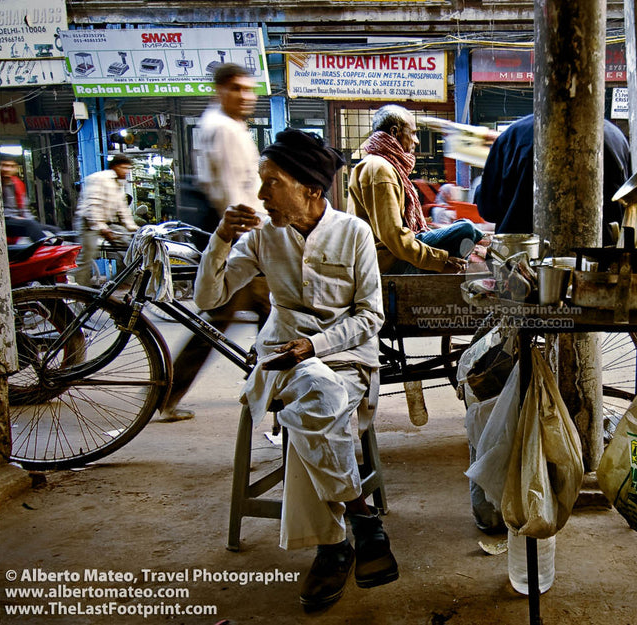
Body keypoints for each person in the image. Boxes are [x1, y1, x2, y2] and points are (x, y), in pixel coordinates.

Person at [194, 129, 397, 612]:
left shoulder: (353, 233)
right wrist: (221, 238)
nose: (261, 196)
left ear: (311, 189)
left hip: (346, 359)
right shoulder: (263, 236)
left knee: (315, 402)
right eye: (260, 183)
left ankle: (338, 543)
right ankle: (359, 518)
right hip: (283, 359)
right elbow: (208, 298)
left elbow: (371, 316)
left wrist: (317, 344)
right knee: (315, 395)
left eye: (272, 183)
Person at [160, 63, 271, 422]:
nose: (246, 97)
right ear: (221, 90)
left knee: (255, 317)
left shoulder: (223, 125)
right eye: (238, 89)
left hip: (243, 241)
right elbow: (232, 195)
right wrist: (255, 241)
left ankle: (265, 385)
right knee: (226, 321)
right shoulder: (223, 129)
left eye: (250, 90)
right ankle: (269, 390)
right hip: (243, 242)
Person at [348, 104, 483, 274]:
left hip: (389, 255)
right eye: (412, 133)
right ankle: (445, 272)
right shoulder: (379, 169)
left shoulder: (381, 165)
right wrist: (440, 260)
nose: (417, 140)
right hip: (387, 261)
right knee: (466, 230)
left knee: (464, 227)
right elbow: (393, 236)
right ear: (394, 132)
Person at [473, 114, 632, 244]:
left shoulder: (512, 136)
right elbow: (627, 205)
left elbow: (489, 209)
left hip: (522, 262)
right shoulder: (615, 137)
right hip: (599, 262)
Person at [73, 155, 137, 287]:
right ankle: (80, 289)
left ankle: (117, 284)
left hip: (108, 223)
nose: (126, 171)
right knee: (87, 255)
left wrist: (133, 228)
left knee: (128, 249)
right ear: (115, 167)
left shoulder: (119, 183)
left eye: (128, 169)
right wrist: (101, 228)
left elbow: (122, 208)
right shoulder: (100, 179)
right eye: (123, 168)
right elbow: (93, 205)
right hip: (88, 222)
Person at [2, 158, 55, 243]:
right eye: (4, 165)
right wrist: (14, 217)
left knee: (51, 229)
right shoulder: (0, 184)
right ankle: (46, 246)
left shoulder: (17, 184)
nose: (7, 169)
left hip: (17, 221)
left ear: (16, 168)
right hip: (4, 222)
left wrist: (33, 222)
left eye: (11, 166)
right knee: (30, 224)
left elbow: (24, 209)